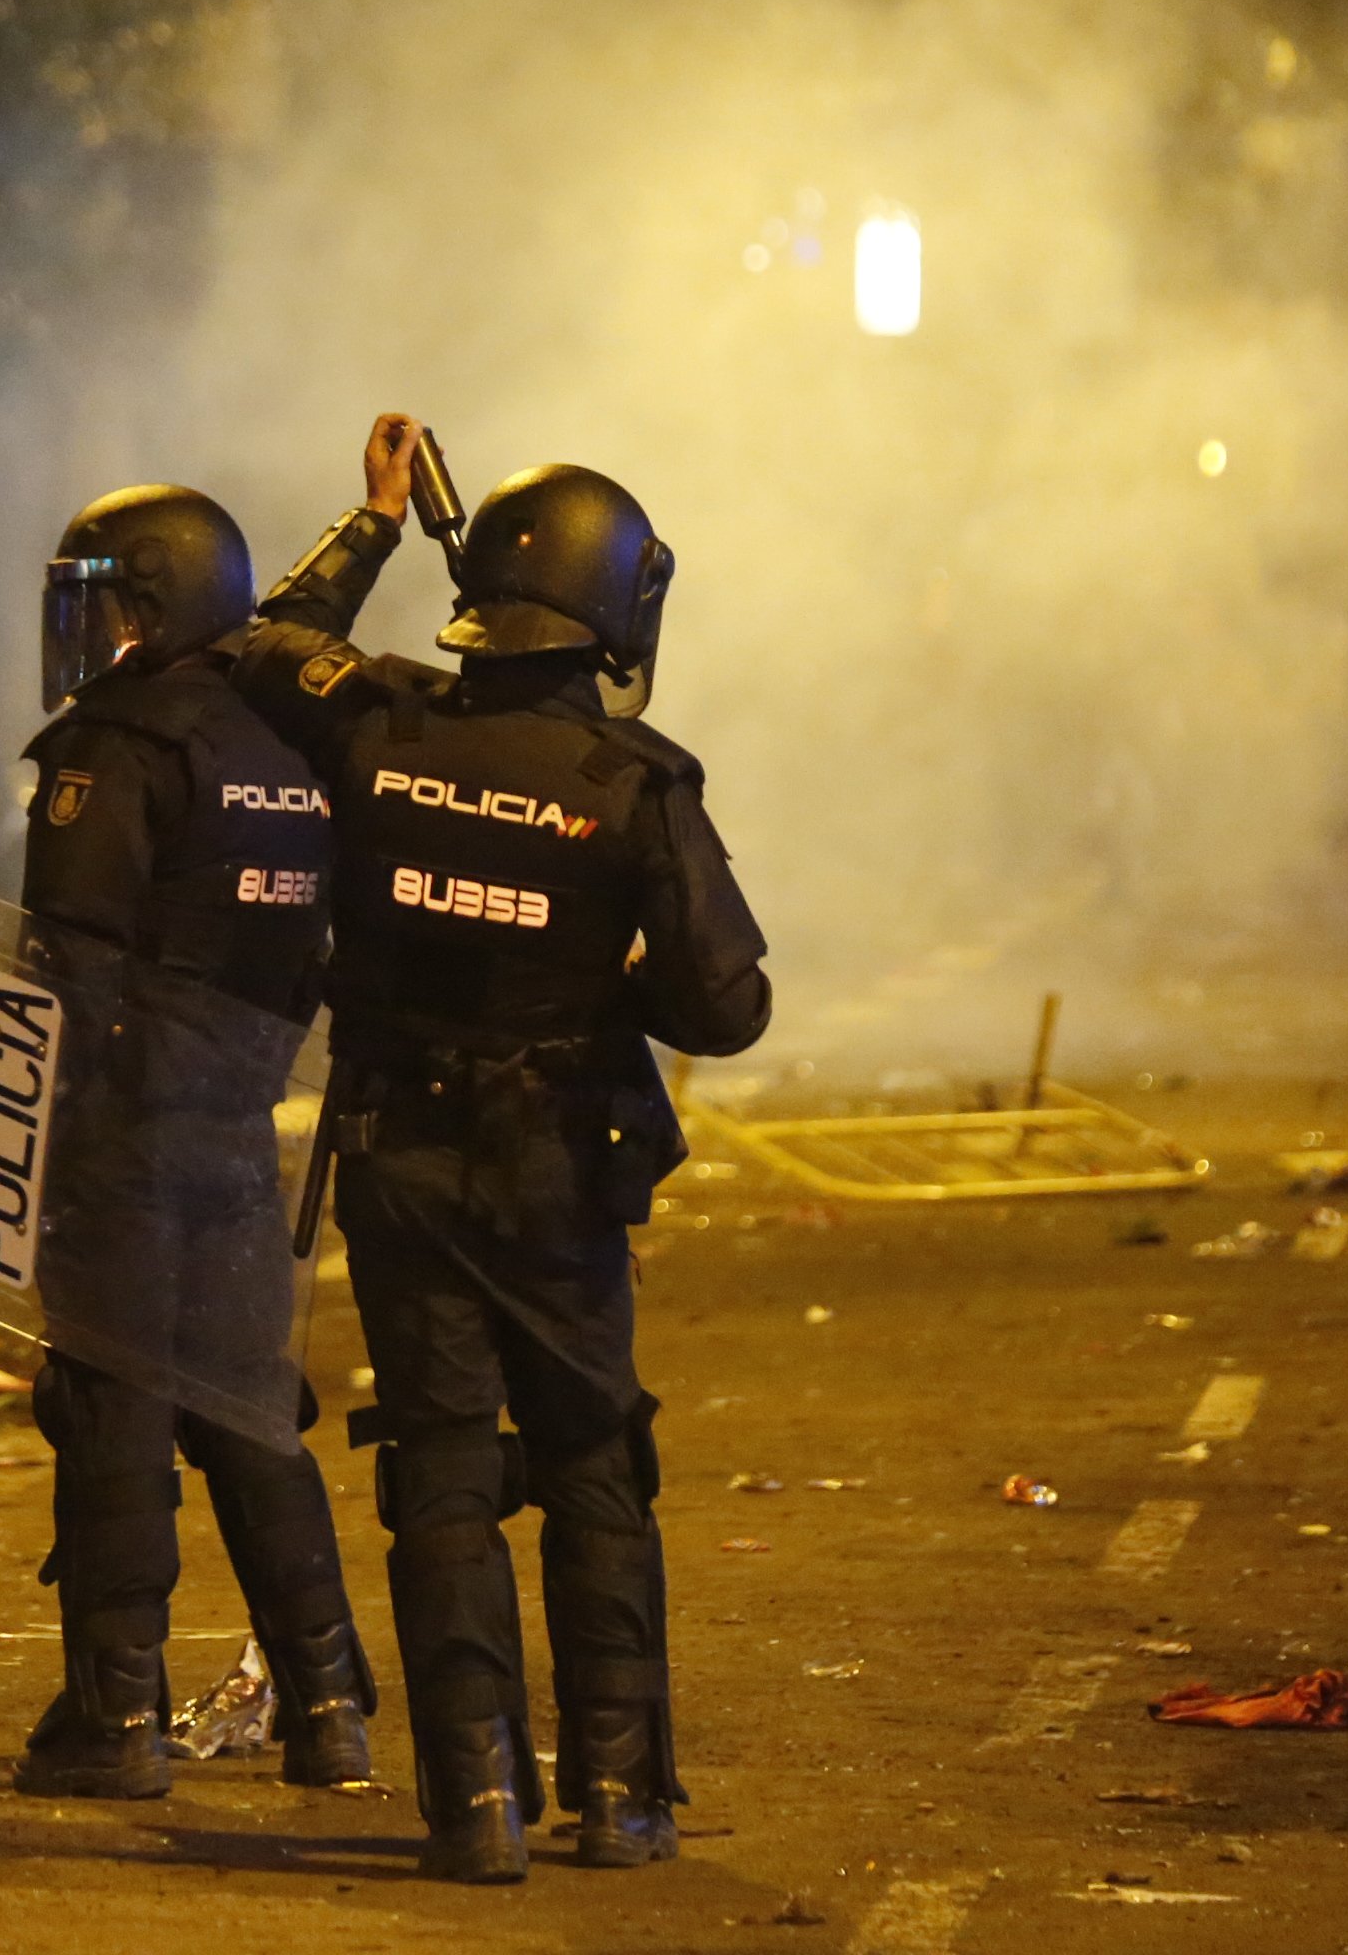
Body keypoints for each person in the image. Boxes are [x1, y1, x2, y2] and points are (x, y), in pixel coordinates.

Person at [228, 430, 771, 1884]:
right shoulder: (633, 780)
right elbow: (731, 1005)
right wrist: (616, 983)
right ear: (613, 611)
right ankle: (617, 1796)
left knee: (441, 1473)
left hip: (404, 1159)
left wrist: (376, 518)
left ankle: (472, 1802)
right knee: (596, 1464)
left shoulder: (380, 720)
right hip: (560, 1173)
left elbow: (262, 639)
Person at [7, 454, 400, 1798]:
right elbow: (294, 625)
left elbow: (67, 964)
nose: (83, 625)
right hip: (240, 1129)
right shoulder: (284, 739)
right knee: (248, 1415)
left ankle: (116, 1721)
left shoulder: (109, 750)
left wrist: (25, 1133)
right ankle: (331, 1706)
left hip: (119, 1135)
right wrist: (375, 528)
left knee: (112, 1407)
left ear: (154, 606)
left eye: (104, 597)